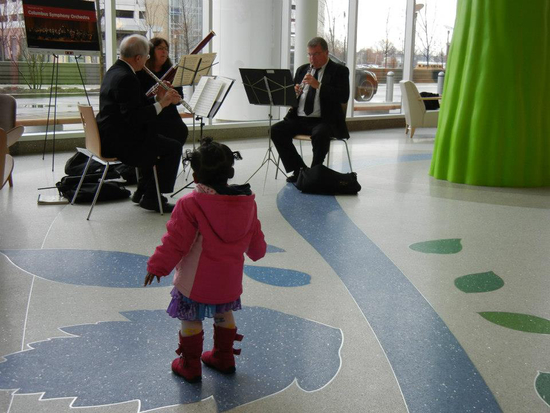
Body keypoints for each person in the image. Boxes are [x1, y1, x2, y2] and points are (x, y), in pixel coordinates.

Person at [144, 137, 267, 383]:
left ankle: (189, 365)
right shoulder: (246, 202)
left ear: (195, 176)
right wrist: (257, 251)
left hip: (195, 282)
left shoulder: (190, 203)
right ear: (229, 172)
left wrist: (157, 266)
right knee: (224, 313)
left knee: (191, 318)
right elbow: (256, 244)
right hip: (229, 282)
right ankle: (224, 357)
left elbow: (176, 241)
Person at [96, 34, 182, 212]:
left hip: (109, 135)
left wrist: (157, 98)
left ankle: (143, 190)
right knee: (171, 147)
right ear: (138, 58)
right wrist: (163, 103)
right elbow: (135, 118)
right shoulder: (127, 78)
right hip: (119, 143)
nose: (146, 61)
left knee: (156, 137)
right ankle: (152, 197)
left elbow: (133, 106)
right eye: (146, 57)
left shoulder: (114, 71)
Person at [271, 37, 350, 183]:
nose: (312, 58)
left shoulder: (340, 71)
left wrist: (318, 85)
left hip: (324, 120)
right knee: (276, 130)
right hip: (299, 118)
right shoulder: (302, 70)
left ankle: (315, 173)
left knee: (321, 134)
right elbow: (292, 100)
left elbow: (343, 96)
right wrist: (294, 94)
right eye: (310, 54)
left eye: (316, 54)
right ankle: (299, 170)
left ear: (326, 52)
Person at [136, 37, 189, 147]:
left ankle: (171, 160)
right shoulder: (141, 72)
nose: (164, 51)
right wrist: (158, 98)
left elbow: (179, 97)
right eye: (160, 48)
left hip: (169, 113)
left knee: (181, 129)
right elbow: (140, 101)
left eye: (166, 49)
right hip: (151, 114)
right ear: (150, 51)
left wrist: (175, 100)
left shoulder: (172, 72)